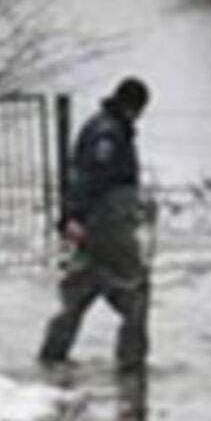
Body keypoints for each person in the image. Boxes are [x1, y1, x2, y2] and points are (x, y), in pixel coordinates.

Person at [40, 78, 152, 369]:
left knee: (81, 288)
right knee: (136, 287)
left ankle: (52, 357)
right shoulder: (109, 135)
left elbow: (81, 177)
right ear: (134, 108)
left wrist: (73, 217)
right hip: (107, 223)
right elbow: (91, 178)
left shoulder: (101, 126)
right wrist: (74, 216)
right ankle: (132, 364)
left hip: (97, 223)